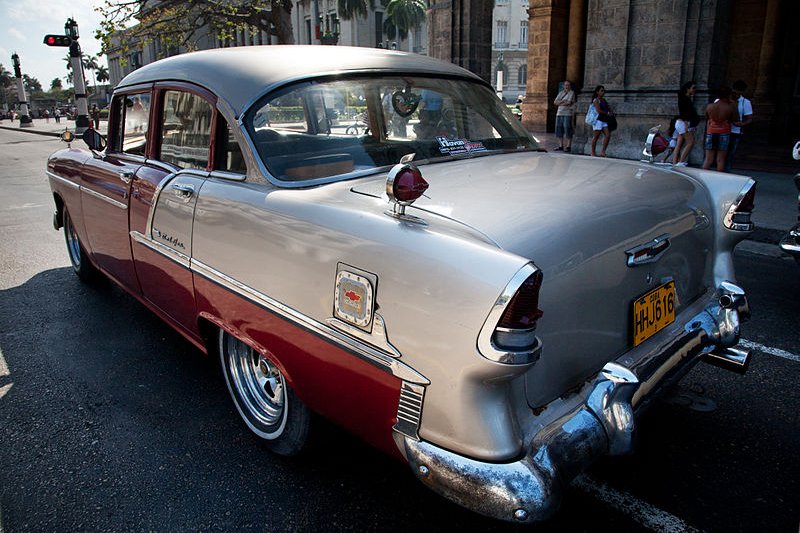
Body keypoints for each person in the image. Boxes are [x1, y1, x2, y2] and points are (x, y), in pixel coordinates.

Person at [703, 86, 739, 171]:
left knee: (708, 159)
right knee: (720, 160)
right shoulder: (729, 107)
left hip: (711, 132)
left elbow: (707, 117)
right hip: (724, 132)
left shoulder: (710, 106)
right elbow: (735, 119)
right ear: (728, 95)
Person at [725, 80, 753, 172]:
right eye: (735, 92)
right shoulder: (724, 99)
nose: (736, 95)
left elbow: (749, 118)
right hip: (723, 130)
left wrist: (742, 124)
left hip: (735, 131)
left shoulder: (745, 102)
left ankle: (727, 169)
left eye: (738, 93)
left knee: (731, 152)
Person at [672, 81, 699, 167]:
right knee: (690, 142)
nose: (695, 90)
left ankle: (675, 162)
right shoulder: (685, 99)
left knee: (679, 143)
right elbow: (685, 113)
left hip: (682, 123)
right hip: (683, 123)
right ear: (688, 89)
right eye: (693, 88)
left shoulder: (684, 98)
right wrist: (687, 125)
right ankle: (681, 161)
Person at [590, 85, 614, 157]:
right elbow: (598, 110)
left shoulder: (603, 100)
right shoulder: (596, 100)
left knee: (608, 135)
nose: (603, 92)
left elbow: (608, 107)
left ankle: (603, 151)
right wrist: (607, 113)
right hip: (598, 120)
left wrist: (610, 112)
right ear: (597, 92)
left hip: (604, 120)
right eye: (601, 91)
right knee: (596, 136)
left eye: (603, 91)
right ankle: (593, 152)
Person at [553, 80, 576, 152]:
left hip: (567, 113)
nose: (567, 86)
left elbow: (569, 102)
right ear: (563, 86)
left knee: (567, 128)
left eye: (568, 85)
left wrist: (560, 102)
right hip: (559, 113)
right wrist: (563, 101)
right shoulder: (561, 93)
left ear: (570, 86)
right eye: (565, 85)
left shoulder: (572, 93)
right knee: (559, 128)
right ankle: (561, 145)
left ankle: (568, 146)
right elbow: (555, 102)